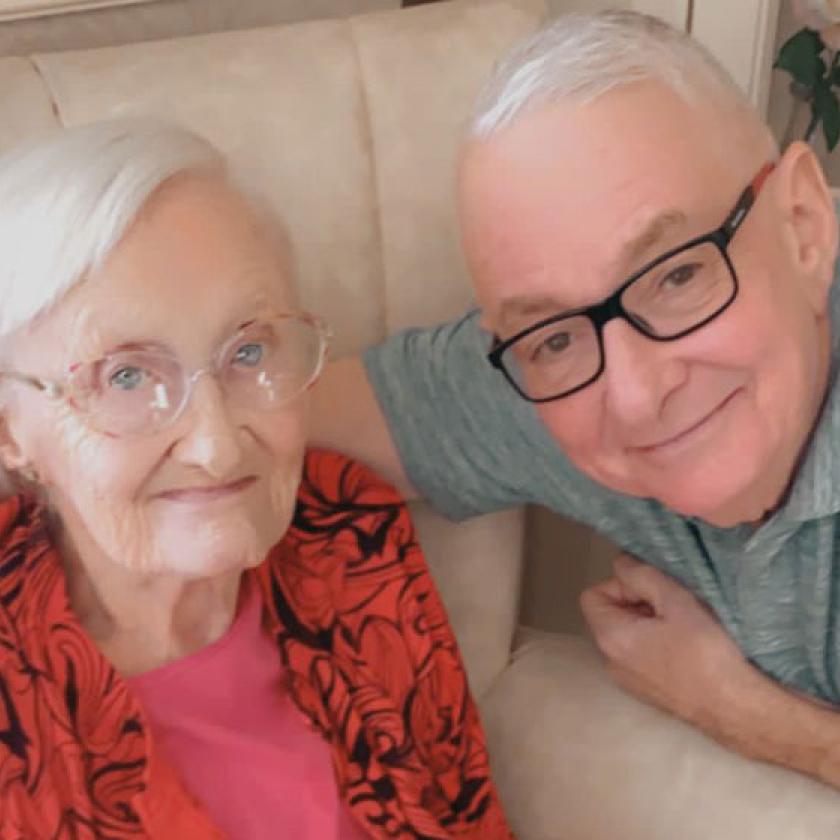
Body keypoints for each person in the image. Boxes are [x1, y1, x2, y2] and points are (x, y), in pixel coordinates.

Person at [311, 10, 840, 789]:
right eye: (552, 334)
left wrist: (744, 712)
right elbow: (261, 418)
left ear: (804, 226)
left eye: (678, 274)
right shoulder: (551, 379)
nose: (633, 395)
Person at [0, 120, 512, 840]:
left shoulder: (346, 536)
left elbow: (465, 819)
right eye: (125, 375)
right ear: (10, 430)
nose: (215, 446)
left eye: (247, 351)